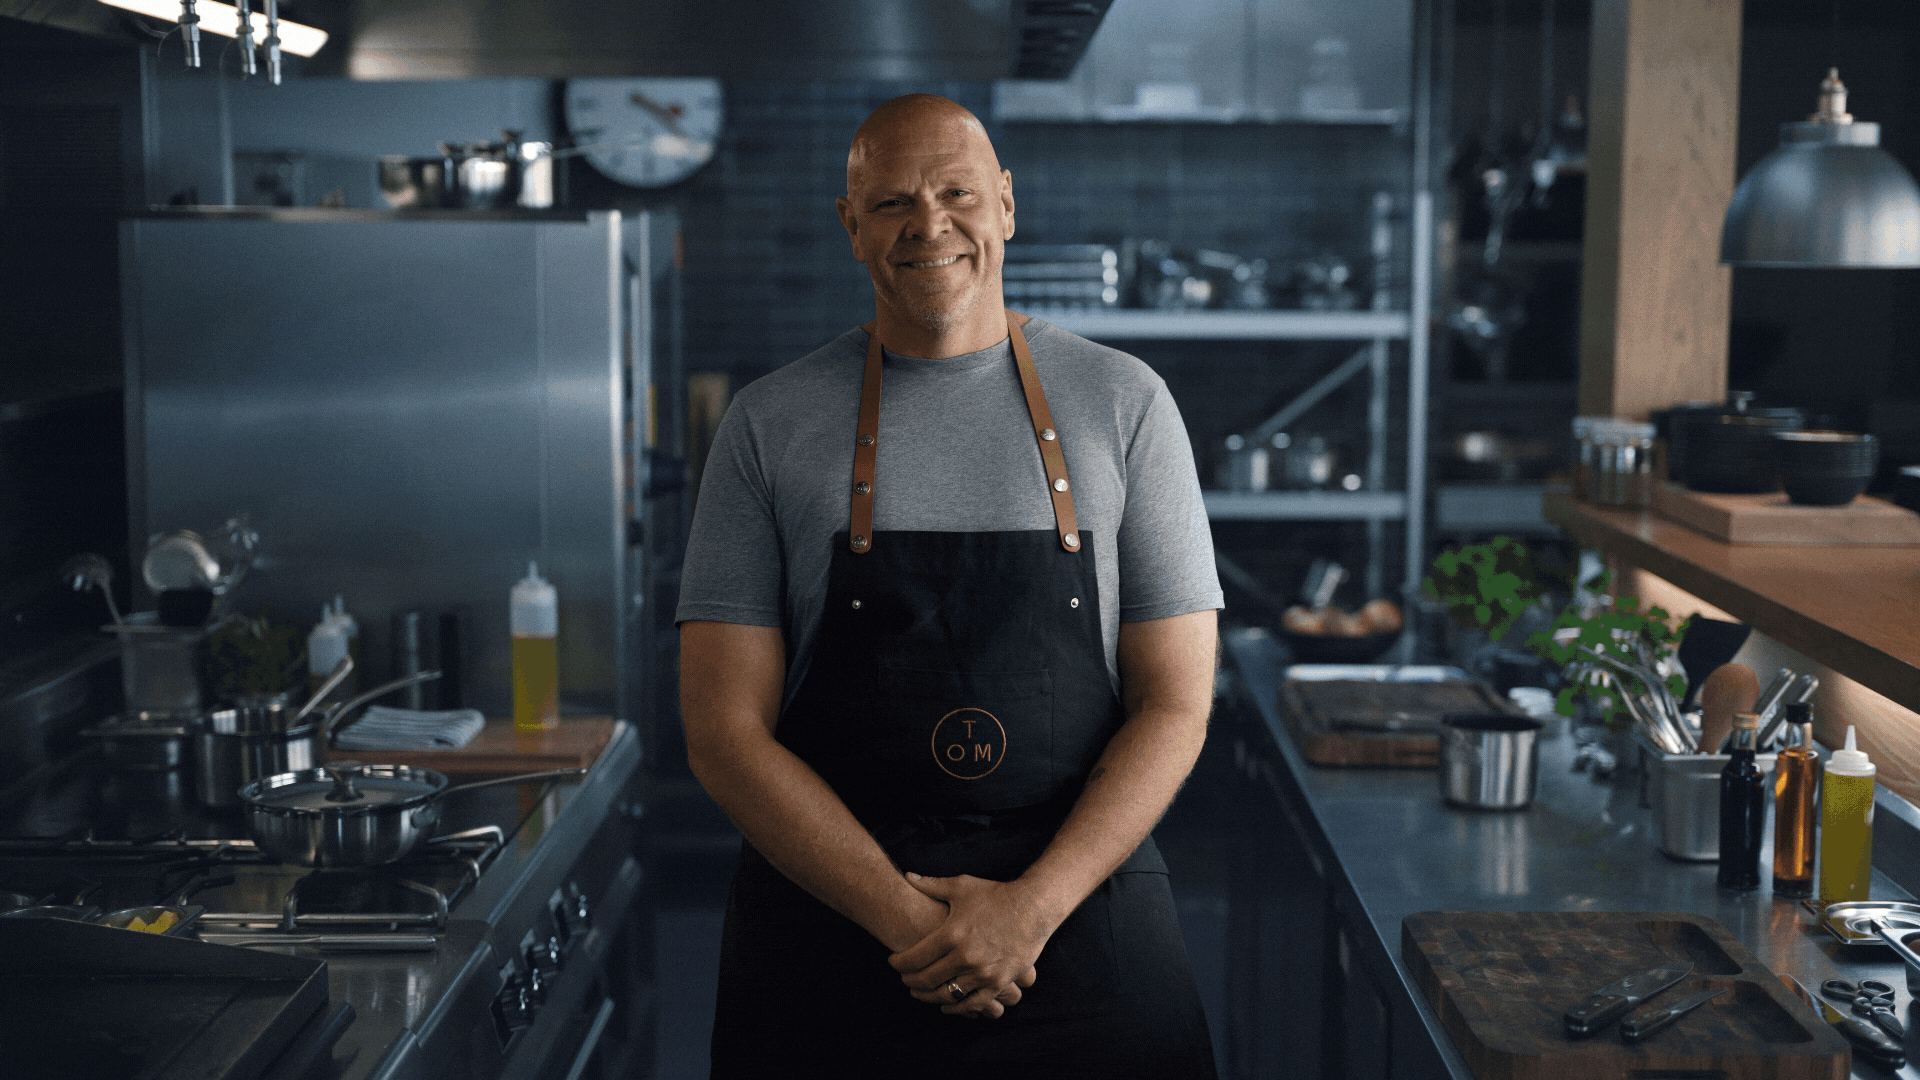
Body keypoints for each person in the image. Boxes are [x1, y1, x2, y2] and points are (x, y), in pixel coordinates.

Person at [676, 93, 1222, 1078]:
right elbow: (722, 731)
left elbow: (1176, 701)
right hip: (832, 942)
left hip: (1080, 925)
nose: (929, 224)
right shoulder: (768, 425)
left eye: (957, 192)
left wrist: (1029, 912)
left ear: (1006, 206)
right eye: (890, 203)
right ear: (850, 227)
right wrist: (907, 920)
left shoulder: (1126, 405)